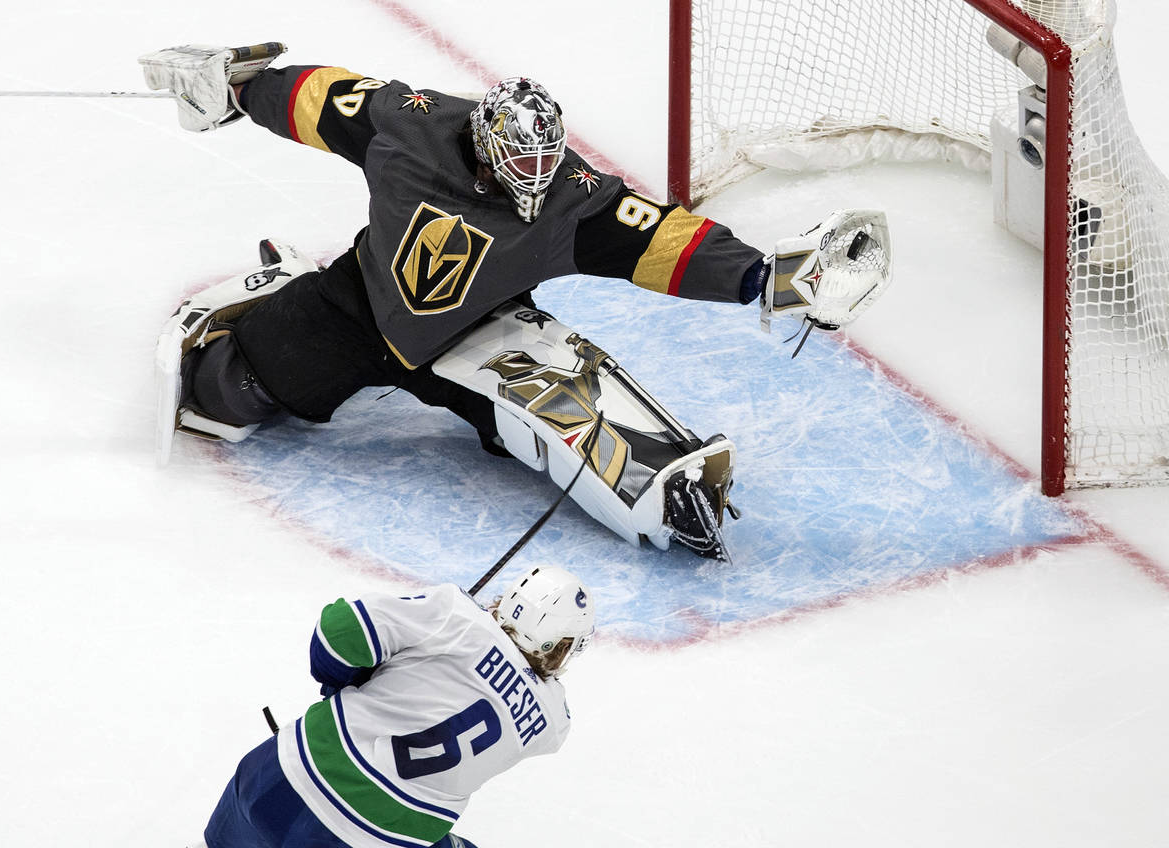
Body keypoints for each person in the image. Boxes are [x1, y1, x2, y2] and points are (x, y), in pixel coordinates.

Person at [141, 44, 891, 557]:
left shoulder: (573, 197)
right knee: (220, 395)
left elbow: (663, 240)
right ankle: (284, 289)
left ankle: (663, 485)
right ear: (483, 141)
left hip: (480, 331)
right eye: (518, 167)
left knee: (539, 429)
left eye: (545, 165)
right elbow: (318, 98)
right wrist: (237, 87)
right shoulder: (409, 123)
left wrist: (771, 279)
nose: (533, 183)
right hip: (357, 303)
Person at [195, 565, 595, 848]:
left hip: (277, 778)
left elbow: (339, 630)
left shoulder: (457, 616)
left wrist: (342, 681)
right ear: (559, 646)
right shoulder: (553, 722)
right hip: (376, 837)